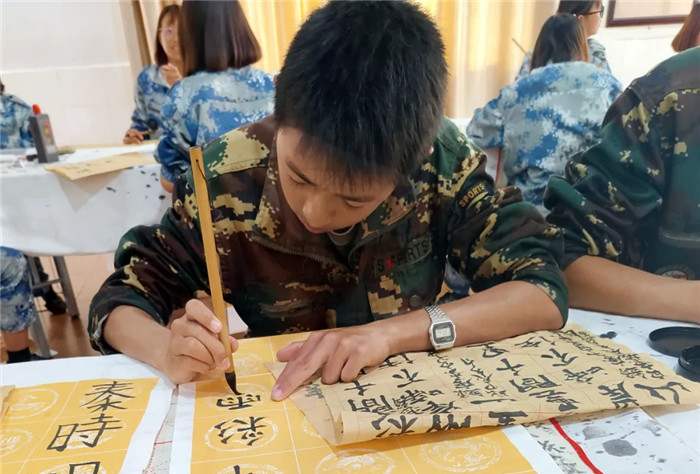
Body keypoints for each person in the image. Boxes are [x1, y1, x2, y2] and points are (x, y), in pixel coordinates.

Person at [89, 0, 567, 397]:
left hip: (406, 399)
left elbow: (540, 288)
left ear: (414, 161)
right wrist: (165, 348)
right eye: (298, 177)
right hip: (284, 409)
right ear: (279, 104)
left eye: (353, 200)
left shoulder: (440, 161)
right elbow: (119, 299)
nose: (314, 212)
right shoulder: (222, 178)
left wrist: (390, 334)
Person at [544, 47, 700, 323]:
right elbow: (560, 260)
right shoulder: (668, 96)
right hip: (647, 334)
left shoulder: (526, 81)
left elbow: (482, 130)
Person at [467, 15, 621, 209]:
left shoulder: (518, 91)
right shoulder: (608, 85)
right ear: (582, 46)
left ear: (540, 47)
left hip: (533, 211)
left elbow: (476, 131)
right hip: (592, 210)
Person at [155, 0, 274, 190]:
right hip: (278, 207)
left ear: (189, 34)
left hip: (217, 208)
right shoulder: (274, 86)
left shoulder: (183, 96)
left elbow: (173, 181)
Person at [1, 79, 65, 360]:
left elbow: (41, 159)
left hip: (17, 212)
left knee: (10, 254)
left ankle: (19, 359)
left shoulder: (15, 111)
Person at [123, 4, 182, 145]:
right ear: (159, 36)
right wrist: (134, 135)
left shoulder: (205, 76)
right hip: (156, 154)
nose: (175, 38)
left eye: (182, 31)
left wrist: (180, 87)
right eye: (169, 31)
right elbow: (142, 123)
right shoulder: (147, 78)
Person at [517, 1, 611, 77]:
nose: (601, 18)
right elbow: (610, 91)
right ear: (580, 19)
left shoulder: (536, 54)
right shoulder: (594, 54)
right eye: (600, 11)